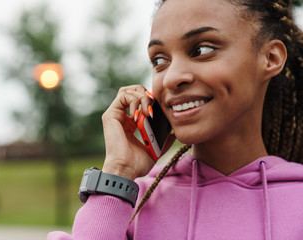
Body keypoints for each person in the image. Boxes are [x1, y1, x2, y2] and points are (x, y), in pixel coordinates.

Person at [48, 0, 303, 239]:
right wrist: (118, 172)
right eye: (159, 60)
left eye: (202, 50)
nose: (171, 78)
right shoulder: (128, 205)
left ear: (270, 58)